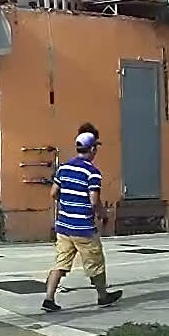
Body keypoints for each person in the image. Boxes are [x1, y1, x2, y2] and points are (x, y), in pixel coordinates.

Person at [42, 127, 123, 312]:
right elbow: (94, 200)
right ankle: (103, 296)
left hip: (64, 226)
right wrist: (102, 214)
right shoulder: (92, 173)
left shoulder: (63, 168)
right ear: (93, 149)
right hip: (84, 228)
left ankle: (48, 298)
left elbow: (53, 193)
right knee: (95, 263)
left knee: (61, 264)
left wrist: (69, 203)